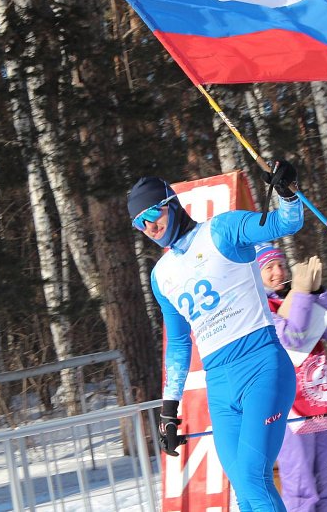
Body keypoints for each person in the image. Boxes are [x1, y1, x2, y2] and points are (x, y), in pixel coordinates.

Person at [128, 161, 303, 512]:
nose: (149, 226)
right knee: (242, 489)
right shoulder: (161, 276)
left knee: (255, 480)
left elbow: (287, 222)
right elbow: (178, 344)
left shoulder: (222, 229)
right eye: (138, 222)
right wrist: (168, 408)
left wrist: (286, 192)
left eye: (151, 213)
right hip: (220, 385)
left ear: (170, 202)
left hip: (261, 367)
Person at [256, 243, 327, 512]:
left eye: (280, 264)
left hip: (322, 402)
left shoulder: (292, 297)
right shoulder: (262, 308)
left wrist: (318, 293)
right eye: (268, 267)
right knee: (301, 492)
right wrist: (303, 294)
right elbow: (292, 339)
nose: (277, 272)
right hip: (292, 411)